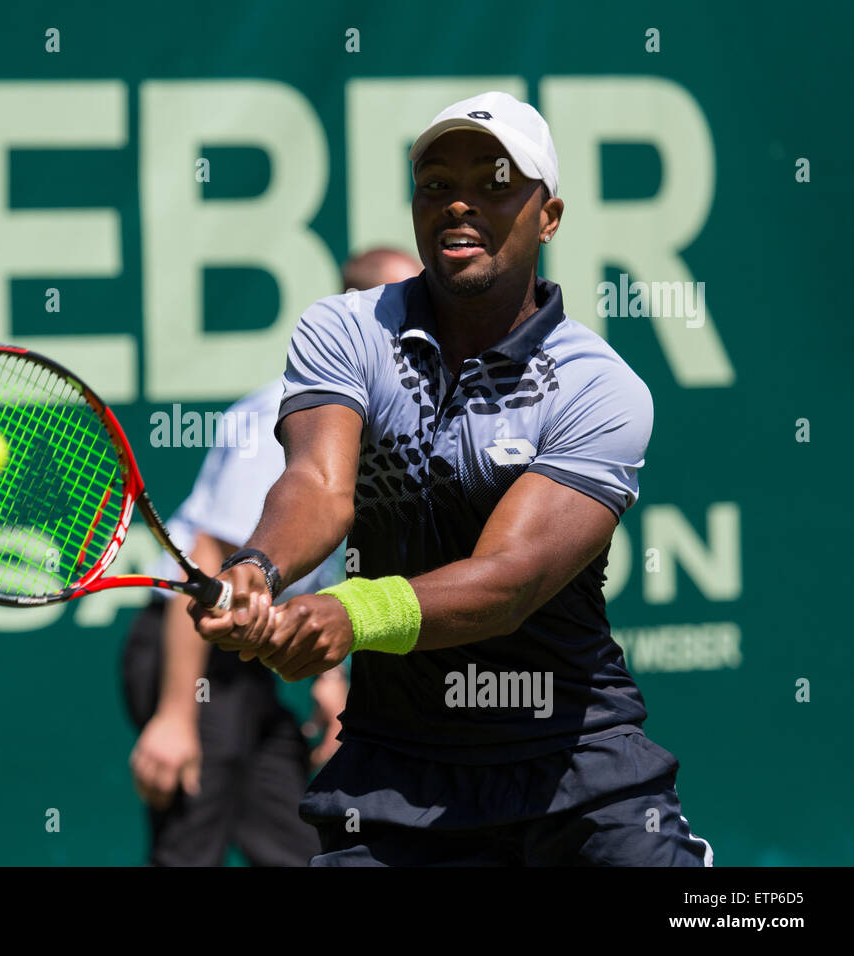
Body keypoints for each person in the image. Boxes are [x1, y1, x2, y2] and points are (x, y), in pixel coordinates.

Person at [192, 91, 713, 867]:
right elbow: (317, 484)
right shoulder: (345, 330)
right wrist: (259, 569)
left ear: (550, 216)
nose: (459, 202)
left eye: (496, 183)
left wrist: (352, 611)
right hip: (395, 778)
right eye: (435, 184)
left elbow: (509, 581)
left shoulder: (598, 387)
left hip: (575, 770)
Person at [122, 250, 421, 866]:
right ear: (367, 321)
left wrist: (331, 683)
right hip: (191, 656)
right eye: (412, 306)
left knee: (304, 846)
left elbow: (329, 566)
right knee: (189, 850)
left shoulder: (380, 420)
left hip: (245, 670)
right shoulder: (293, 417)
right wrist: (177, 716)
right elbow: (206, 561)